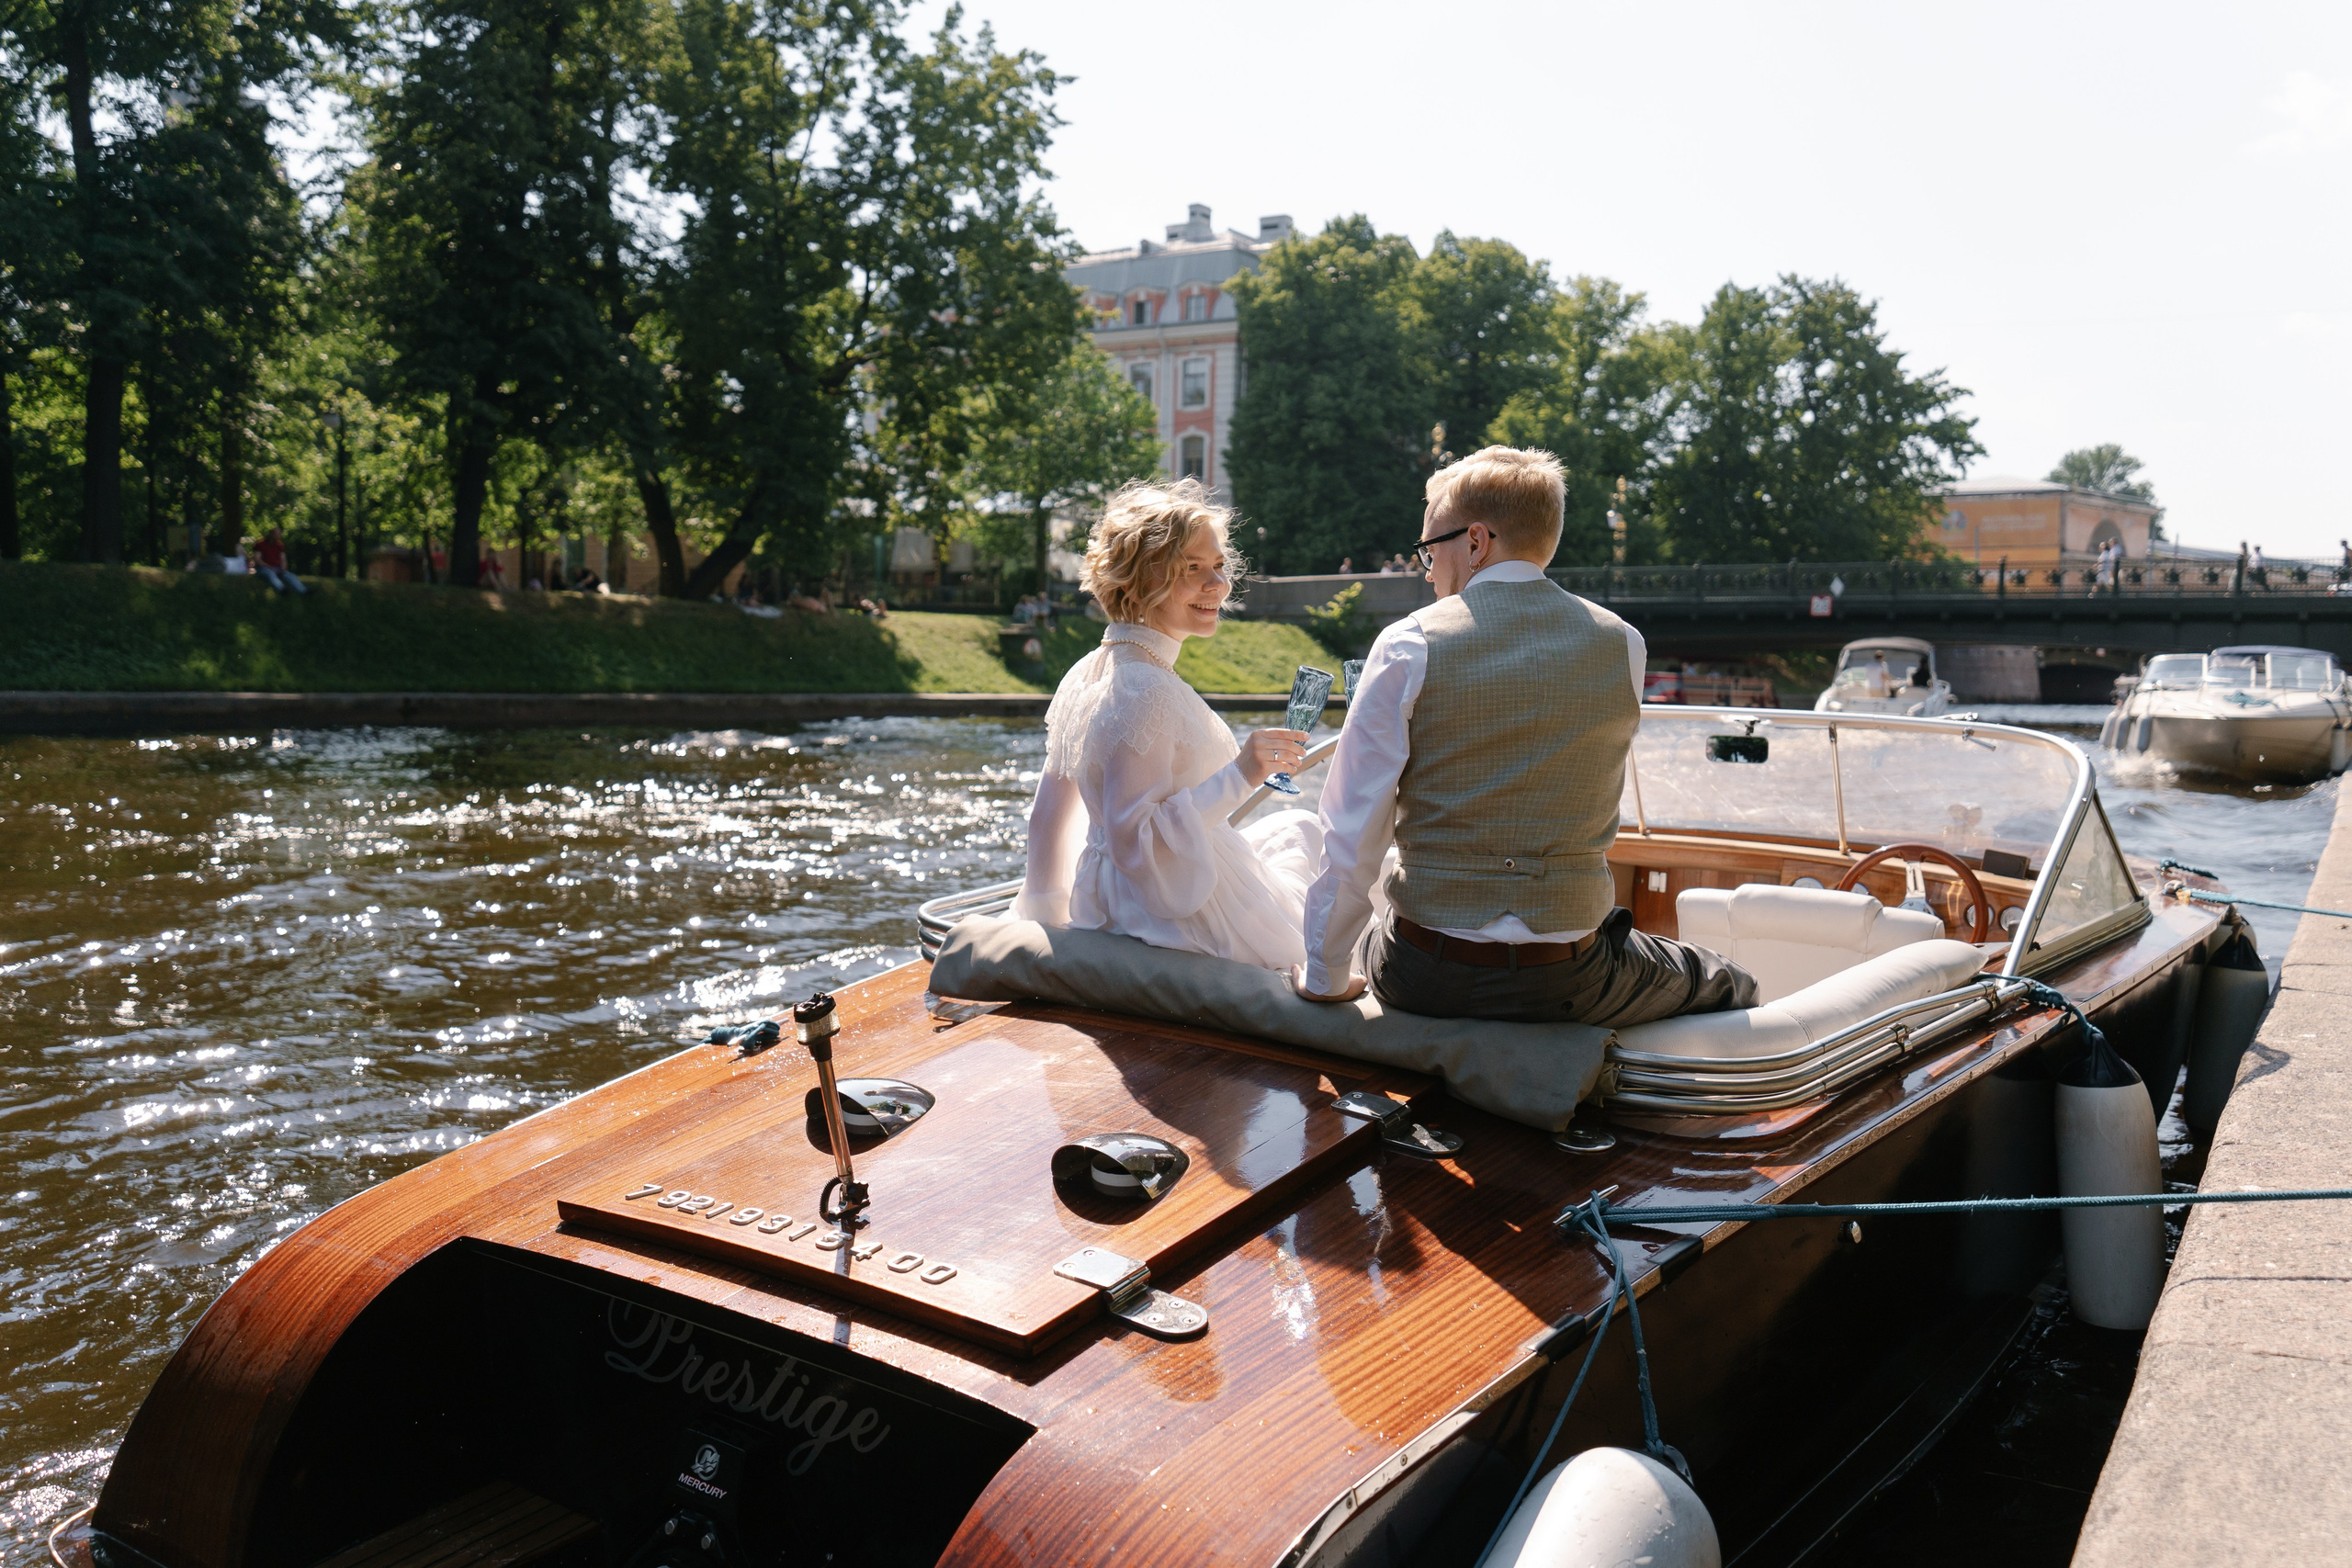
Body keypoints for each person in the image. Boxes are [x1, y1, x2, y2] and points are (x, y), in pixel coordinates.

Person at [1295, 446, 1756, 1025]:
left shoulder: (1408, 643)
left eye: (1429, 548)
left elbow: (1353, 831)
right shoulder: (1624, 645)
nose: (1427, 568)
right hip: (1566, 977)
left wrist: (1325, 974)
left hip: (1423, 974)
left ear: (1476, 541)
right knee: (1719, 979)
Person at [1012, 478, 1323, 969]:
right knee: (1327, 865)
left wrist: (1047, 924)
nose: (1217, 584)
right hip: (1173, 915)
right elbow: (1136, 838)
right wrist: (1242, 773)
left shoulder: (1090, 669)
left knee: (1300, 827)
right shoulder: (1144, 689)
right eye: (1191, 568)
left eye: (1219, 566)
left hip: (1116, 904)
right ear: (1139, 580)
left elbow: (1047, 820)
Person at [252, 528, 307, 594]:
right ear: (272, 534)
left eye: (280, 534)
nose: (279, 536)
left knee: (291, 576)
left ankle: (304, 591)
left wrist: (283, 569)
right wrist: (269, 567)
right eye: (277, 534)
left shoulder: (280, 545)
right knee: (270, 574)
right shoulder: (260, 544)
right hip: (263, 568)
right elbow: (257, 559)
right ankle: (282, 590)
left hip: (277, 568)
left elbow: (283, 559)